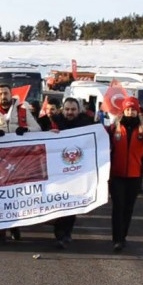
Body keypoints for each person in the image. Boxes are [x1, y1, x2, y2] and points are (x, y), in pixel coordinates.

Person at [0, 84, 42, 243]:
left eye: (5, 93)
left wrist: (25, 130)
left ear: (10, 94)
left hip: (18, 160)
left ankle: (15, 226)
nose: (3, 96)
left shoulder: (23, 111)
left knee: (16, 195)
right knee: (1, 197)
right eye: (0, 94)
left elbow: (38, 129)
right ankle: (0, 232)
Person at [108, 97, 143, 251]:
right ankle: (116, 239)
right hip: (116, 175)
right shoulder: (113, 128)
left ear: (138, 111)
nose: (130, 112)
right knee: (118, 206)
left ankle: (123, 236)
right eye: (128, 109)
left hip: (135, 175)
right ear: (123, 110)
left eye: (133, 109)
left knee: (128, 208)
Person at [49, 97, 95, 249]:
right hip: (56, 172)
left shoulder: (87, 123)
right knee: (59, 202)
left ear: (78, 110)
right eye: (67, 109)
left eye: (73, 109)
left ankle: (67, 232)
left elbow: (100, 137)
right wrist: (49, 134)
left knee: (72, 203)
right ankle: (60, 234)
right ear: (62, 110)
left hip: (77, 170)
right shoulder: (52, 121)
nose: (70, 112)